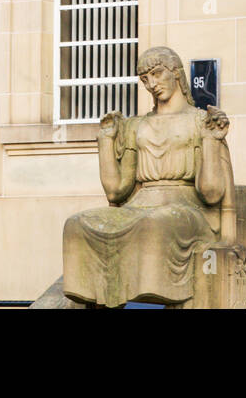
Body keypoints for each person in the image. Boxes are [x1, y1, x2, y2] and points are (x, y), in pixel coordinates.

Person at [62, 46, 235, 307]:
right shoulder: (136, 125)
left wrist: (211, 140)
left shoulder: (200, 121)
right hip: (140, 206)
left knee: (154, 224)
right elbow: (115, 192)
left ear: (176, 73)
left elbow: (211, 193)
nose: (151, 84)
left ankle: (154, 295)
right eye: (144, 79)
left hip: (188, 207)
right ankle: (99, 296)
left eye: (156, 74)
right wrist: (106, 140)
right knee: (77, 224)